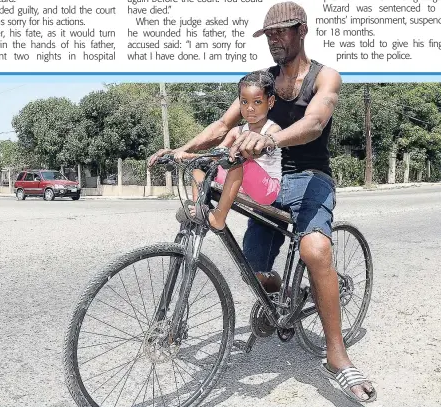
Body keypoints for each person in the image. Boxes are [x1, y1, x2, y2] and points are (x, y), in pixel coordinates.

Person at [149, 1, 376, 403]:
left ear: (301, 30)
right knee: (253, 275)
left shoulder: (325, 78)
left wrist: (269, 138)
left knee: (314, 248)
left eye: (281, 33)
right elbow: (223, 125)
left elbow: (314, 123)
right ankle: (286, 297)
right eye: (269, 35)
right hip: (267, 183)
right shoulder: (264, 82)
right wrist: (182, 151)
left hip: (310, 179)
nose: (274, 41)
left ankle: (338, 356)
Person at [176, 70, 282, 232]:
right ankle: (200, 211)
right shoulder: (235, 132)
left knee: (237, 160)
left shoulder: (273, 129)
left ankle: (219, 217)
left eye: (257, 102)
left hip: (267, 189)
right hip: (240, 181)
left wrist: (245, 146)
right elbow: (216, 156)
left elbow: (256, 149)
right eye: (244, 102)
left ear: (270, 102)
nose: (250, 108)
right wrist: (191, 156)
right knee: (201, 164)